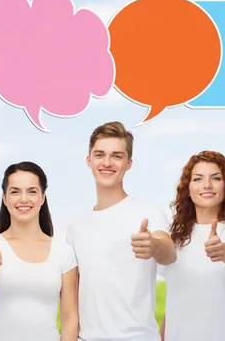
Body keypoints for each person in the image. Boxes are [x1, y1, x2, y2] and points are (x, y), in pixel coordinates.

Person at [65, 121, 177, 341]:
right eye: (99, 155)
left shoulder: (148, 213)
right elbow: (71, 299)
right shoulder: (76, 226)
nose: (107, 162)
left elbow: (169, 252)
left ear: (129, 163)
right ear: (89, 161)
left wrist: (153, 246)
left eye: (117, 156)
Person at [158, 151, 225, 341]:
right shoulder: (173, 240)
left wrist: (223, 250)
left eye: (215, 178)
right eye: (198, 179)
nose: (206, 185)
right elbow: (175, 300)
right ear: (188, 190)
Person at [0, 161, 78, 341]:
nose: (24, 199)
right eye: (15, 191)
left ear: (43, 197)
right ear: (4, 198)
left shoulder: (63, 252)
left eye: (32, 191)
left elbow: (70, 319)